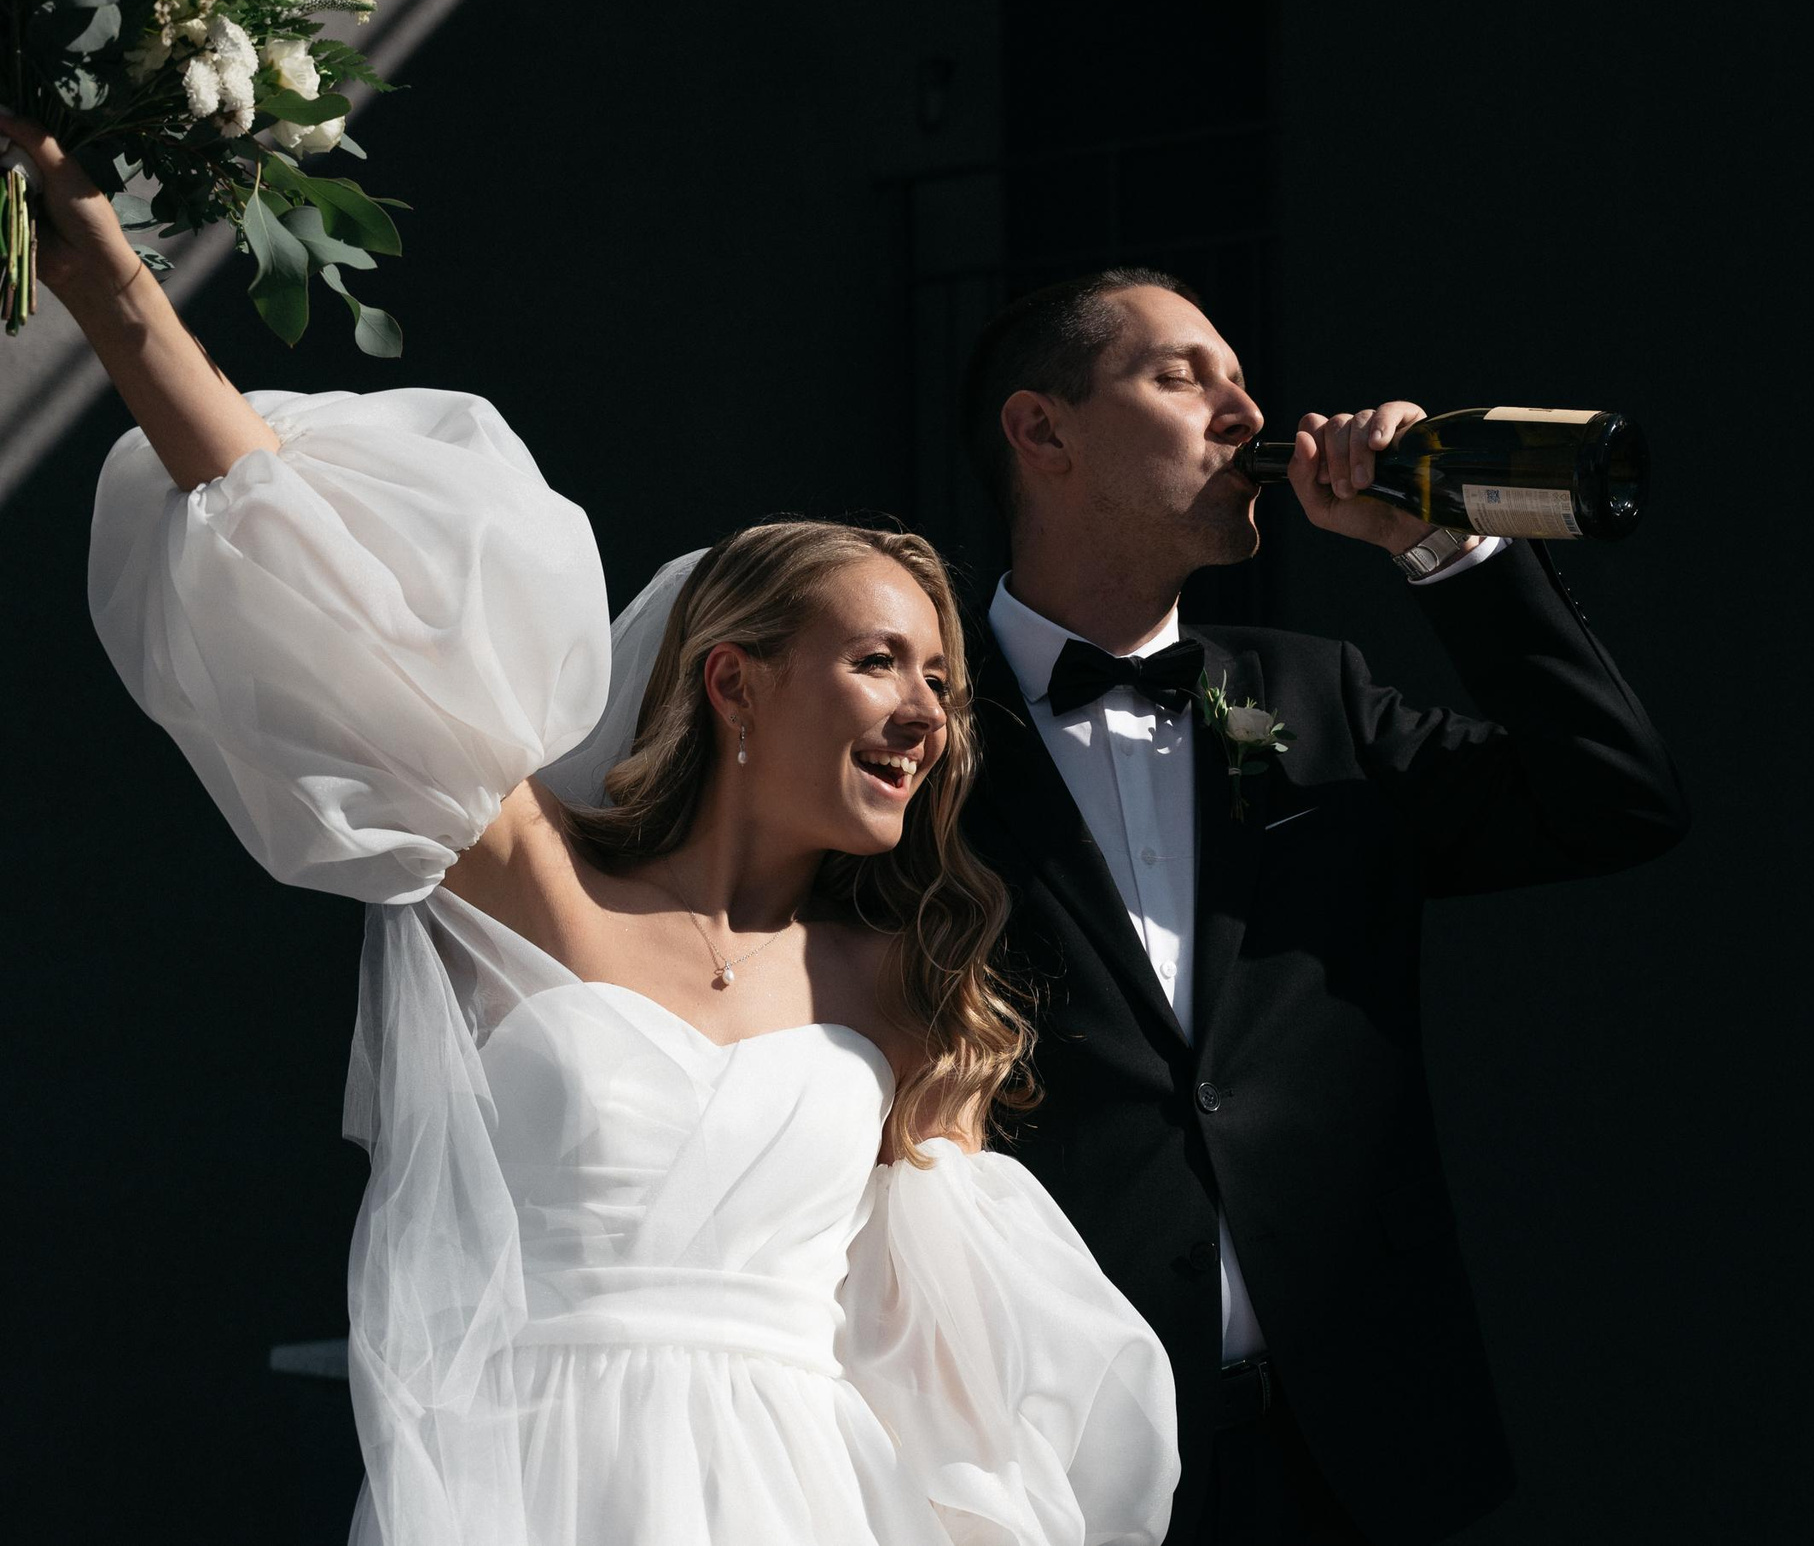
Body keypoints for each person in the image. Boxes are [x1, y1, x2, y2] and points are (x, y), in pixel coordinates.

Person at [3, 113, 1179, 1546]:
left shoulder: (908, 998)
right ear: (734, 681)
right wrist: (118, 297)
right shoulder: (533, 879)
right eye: (880, 660)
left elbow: (956, 1379)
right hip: (520, 1495)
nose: (930, 710)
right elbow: (320, 583)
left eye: (942, 679)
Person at [955, 268, 1690, 1543]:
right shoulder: (922, 732)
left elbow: (1615, 799)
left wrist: (1441, 547)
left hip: (1355, 1448)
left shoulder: (1317, 694)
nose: (1247, 410)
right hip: (1057, 1455)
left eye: (1242, 376)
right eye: (1181, 374)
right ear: (1042, 430)